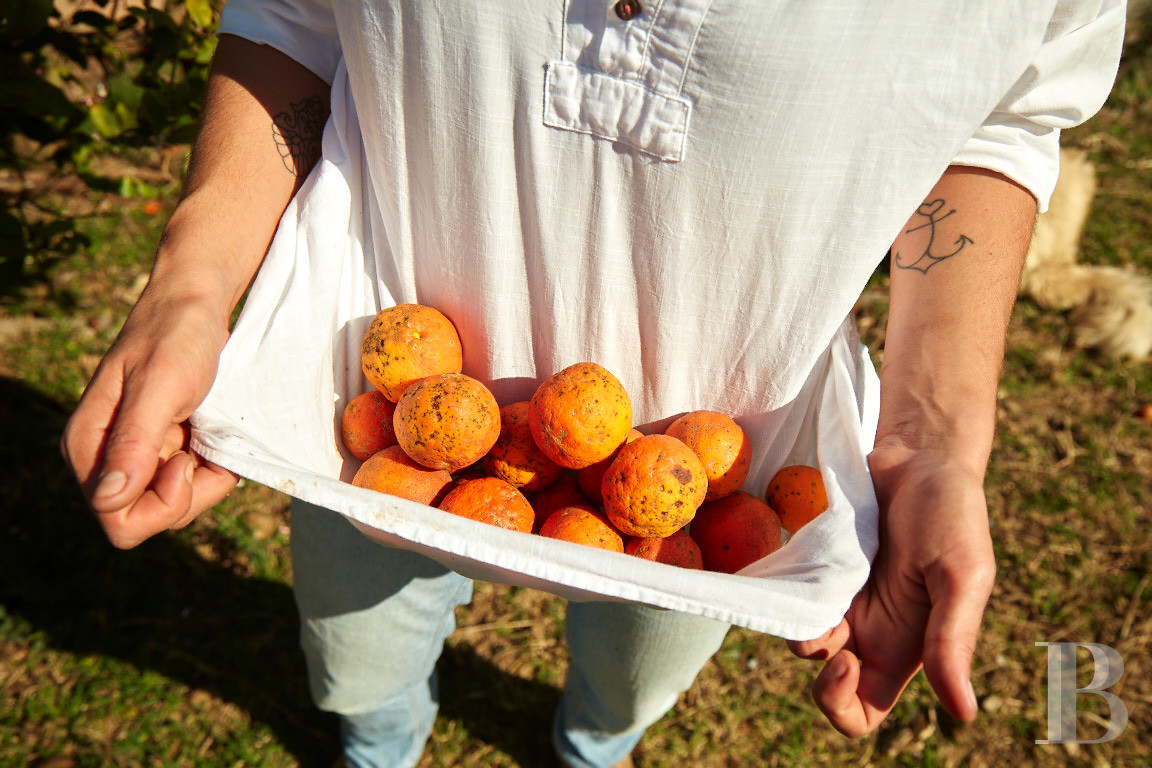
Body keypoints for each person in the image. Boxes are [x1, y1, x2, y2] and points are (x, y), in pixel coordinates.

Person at [61, 2, 1126, 766]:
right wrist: (191, 288)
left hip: (706, 511)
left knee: (630, 686)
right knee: (355, 655)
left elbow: (998, 120)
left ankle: (591, 747)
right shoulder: (395, 426)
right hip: (369, 443)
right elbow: (294, 21)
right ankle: (380, 744)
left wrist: (936, 441)